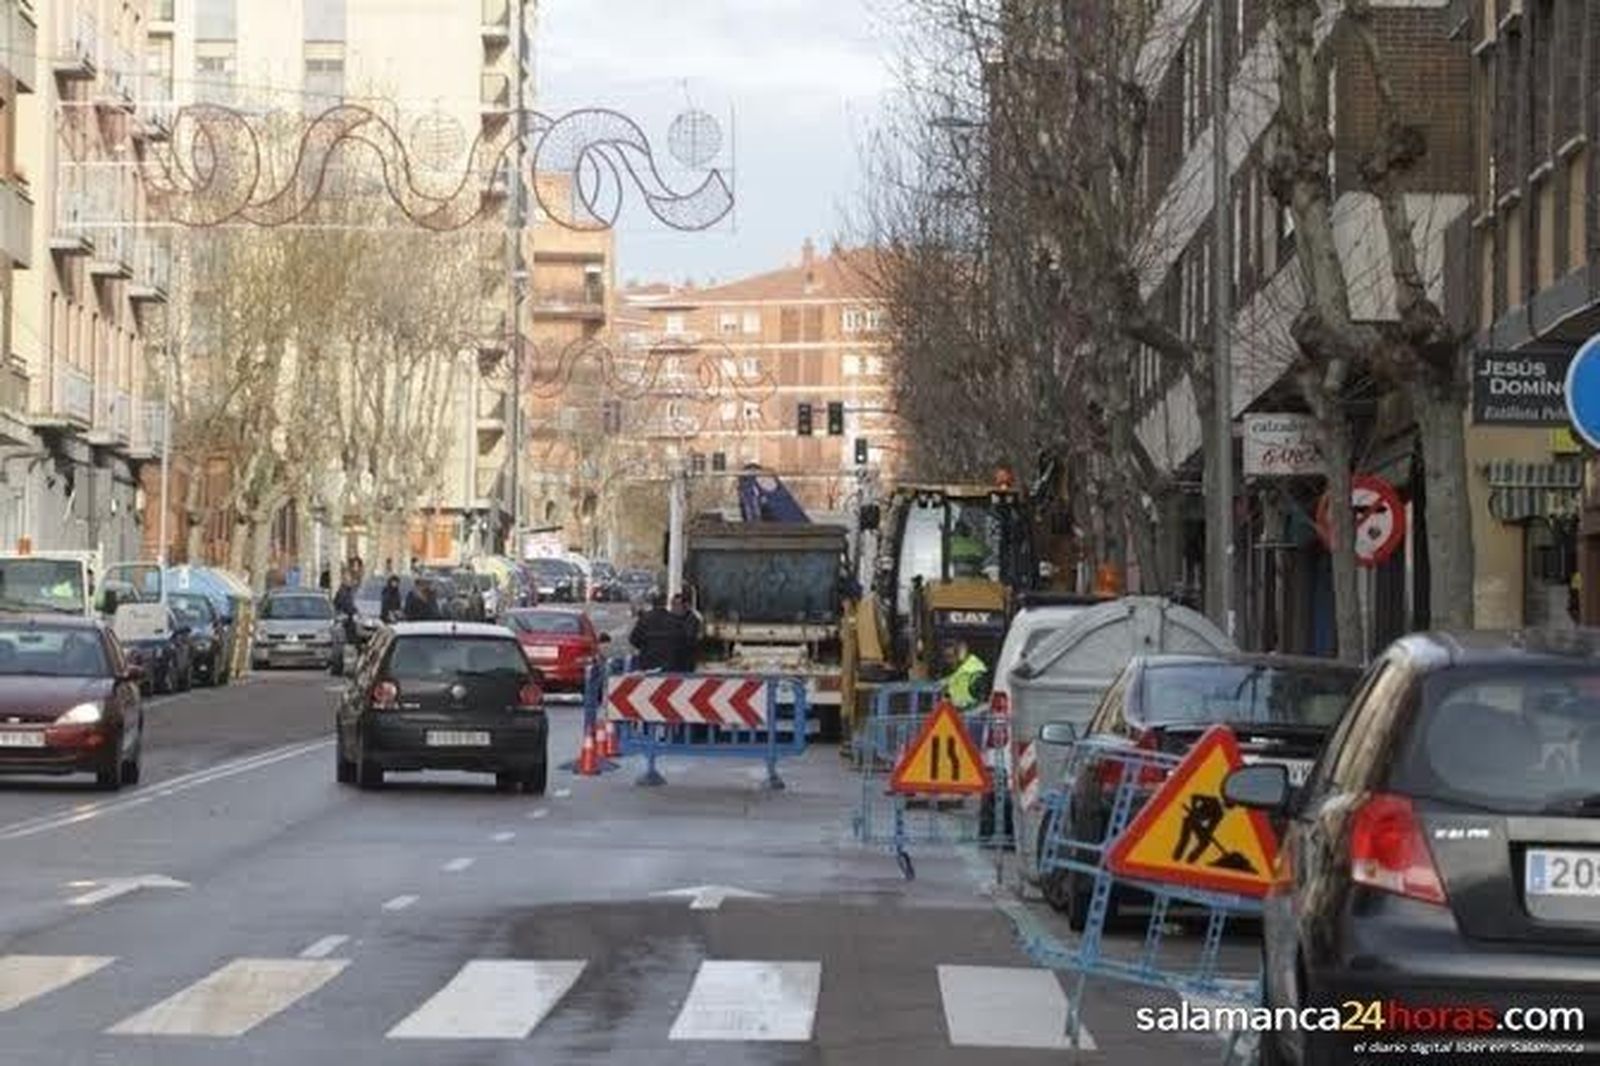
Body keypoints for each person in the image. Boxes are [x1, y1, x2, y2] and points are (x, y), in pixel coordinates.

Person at [630, 592, 686, 671]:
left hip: (648, 661)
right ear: (665, 603)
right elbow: (682, 641)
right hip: (669, 663)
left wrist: (645, 647)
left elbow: (633, 639)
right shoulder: (674, 620)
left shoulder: (644, 619)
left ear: (652, 603)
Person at [942, 638, 990, 711]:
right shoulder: (960, 670)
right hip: (956, 714)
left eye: (950, 657)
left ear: (962, 652)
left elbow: (983, 701)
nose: (948, 662)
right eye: (946, 657)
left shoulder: (975, 671)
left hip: (971, 717)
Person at [670, 592, 700, 672]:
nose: (674, 608)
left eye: (677, 605)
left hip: (686, 660)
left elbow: (689, 638)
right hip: (670, 661)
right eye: (673, 604)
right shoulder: (669, 618)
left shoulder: (692, 619)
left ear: (685, 606)